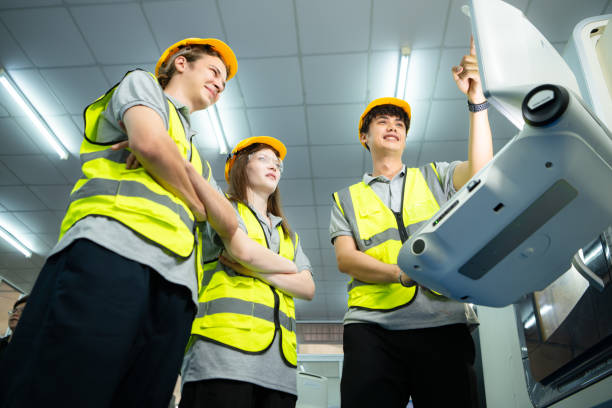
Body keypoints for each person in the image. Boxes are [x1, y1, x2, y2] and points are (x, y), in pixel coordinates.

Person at [0, 38, 243, 408]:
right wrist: (198, 202)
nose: (220, 84)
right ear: (181, 63)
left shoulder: (196, 156)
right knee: (68, 387)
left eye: (224, 82)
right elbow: (148, 143)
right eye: (214, 71)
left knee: (141, 396)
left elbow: (229, 223)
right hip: (111, 254)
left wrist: (177, 164)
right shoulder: (142, 84)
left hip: (175, 285)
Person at [330, 37, 492, 407]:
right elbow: (346, 259)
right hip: (371, 328)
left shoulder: (435, 176)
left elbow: (482, 171)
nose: (393, 126)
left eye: (399, 122)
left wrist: (476, 101)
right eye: (382, 121)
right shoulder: (346, 198)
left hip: (442, 323)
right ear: (364, 137)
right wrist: (399, 274)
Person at [179, 136, 315, 408]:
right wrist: (288, 268)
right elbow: (243, 252)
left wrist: (258, 273)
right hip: (223, 357)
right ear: (240, 166)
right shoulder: (223, 210)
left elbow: (308, 289)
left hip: (279, 370)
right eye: (263, 159)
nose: (274, 166)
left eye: (278, 164)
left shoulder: (288, 235)